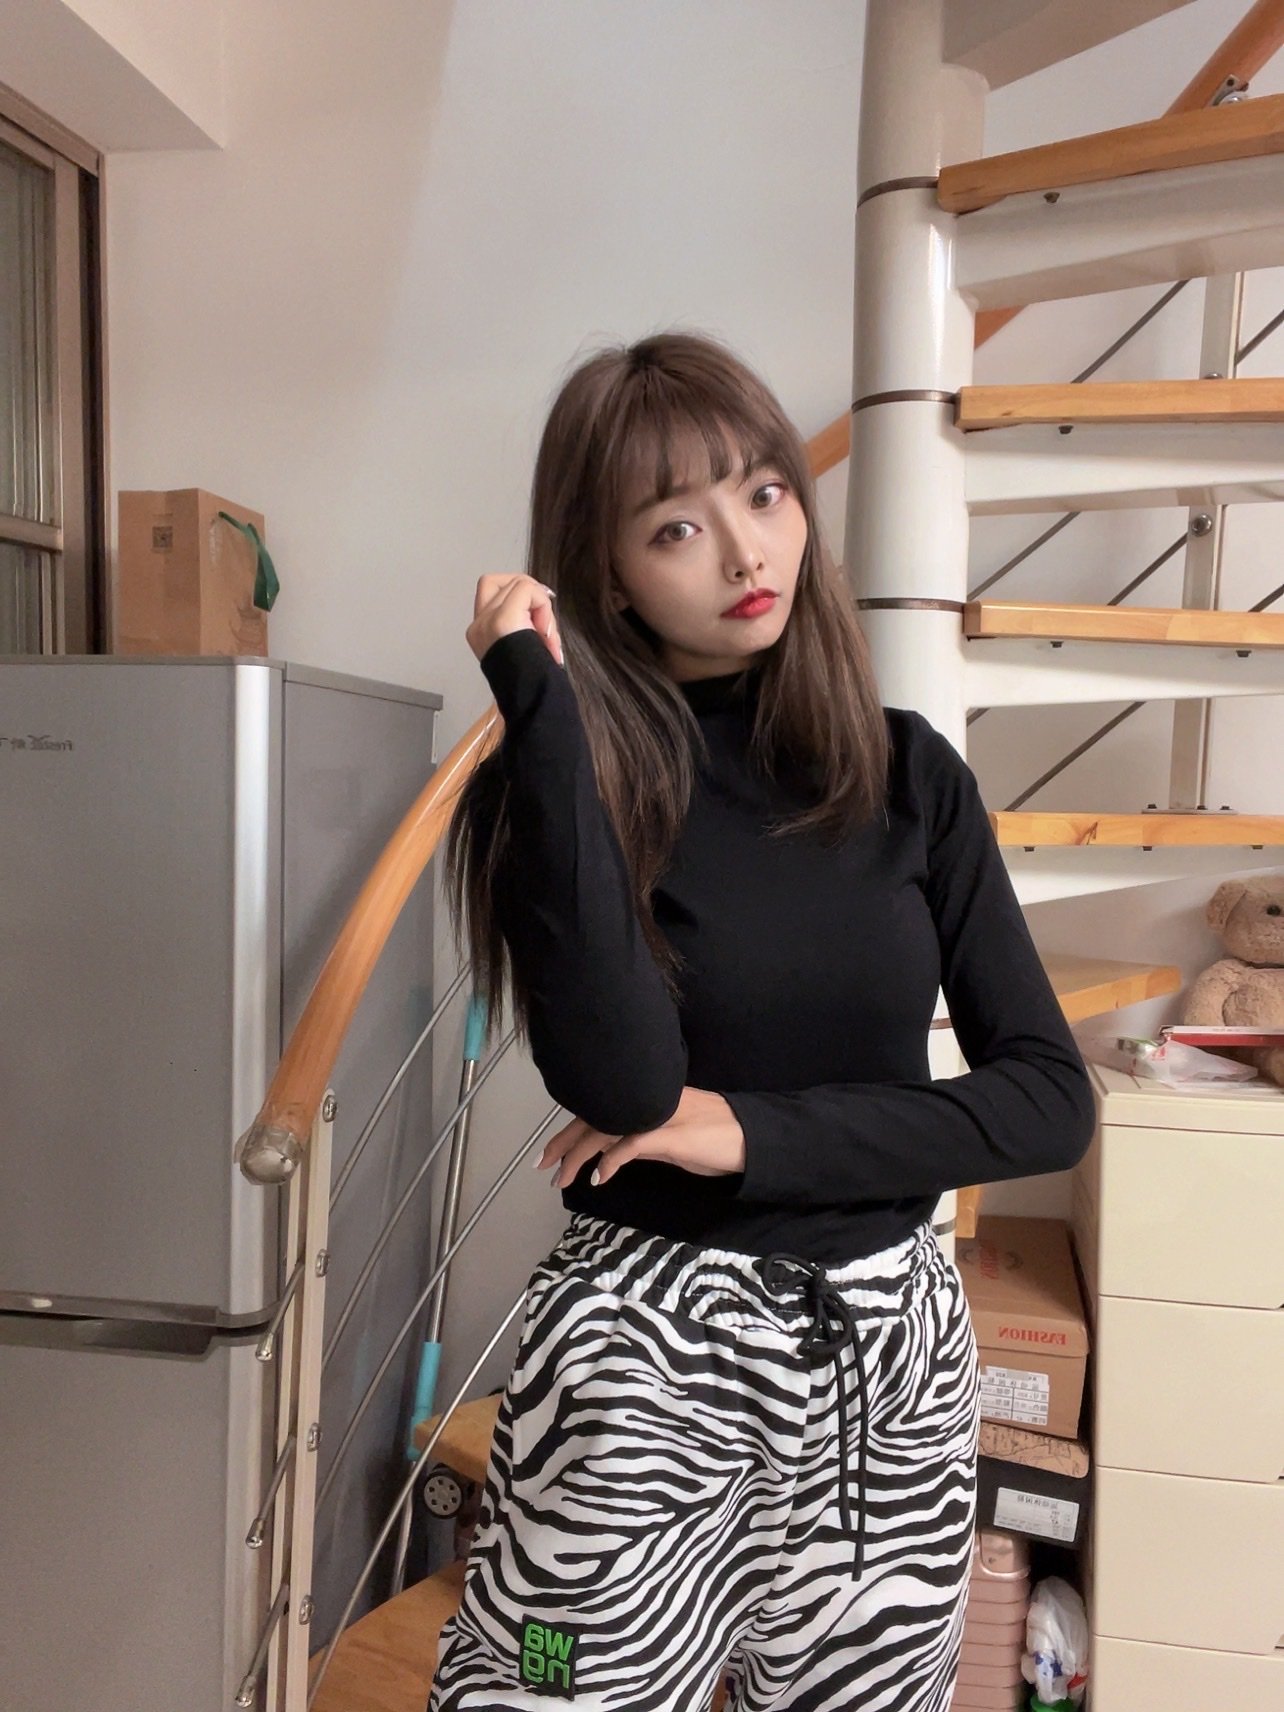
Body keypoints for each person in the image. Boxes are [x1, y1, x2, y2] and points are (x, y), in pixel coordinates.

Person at [428, 330, 1095, 1712]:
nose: (746, 552)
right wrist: (540, 701)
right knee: (546, 1689)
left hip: (889, 1365)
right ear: (609, 572)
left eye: (765, 492)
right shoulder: (566, 788)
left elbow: (1046, 1099)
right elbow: (622, 1080)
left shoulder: (908, 774)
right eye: (676, 525)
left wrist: (745, 1135)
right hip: (643, 1364)